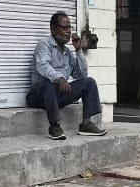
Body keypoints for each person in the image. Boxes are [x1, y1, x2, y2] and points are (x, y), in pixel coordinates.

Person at [28, 12, 107, 141]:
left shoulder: (67, 53)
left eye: (69, 28)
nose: (68, 32)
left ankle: (86, 124)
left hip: (57, 95)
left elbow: (81, 75)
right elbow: (43, 66)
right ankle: (54, 127)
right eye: (64, 28)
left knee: (89, 82)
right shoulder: (44, 45)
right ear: (53, 29)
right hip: (38, 94)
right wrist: (60, 78)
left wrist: (78, 51)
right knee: (49, 83)